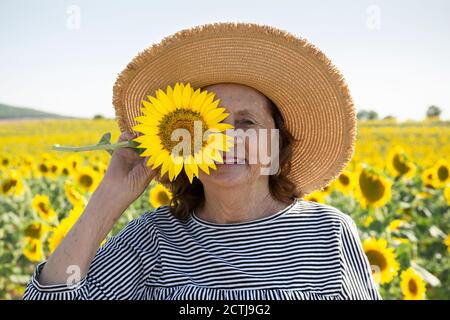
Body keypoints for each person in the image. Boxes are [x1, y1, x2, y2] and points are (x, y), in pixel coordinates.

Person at [23, 22, 381, 300]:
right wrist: (109, 197)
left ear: (277, 141)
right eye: (206, 125)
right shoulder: (153, 239)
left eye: (246, 122)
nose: (225, 139)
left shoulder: (327, 233)